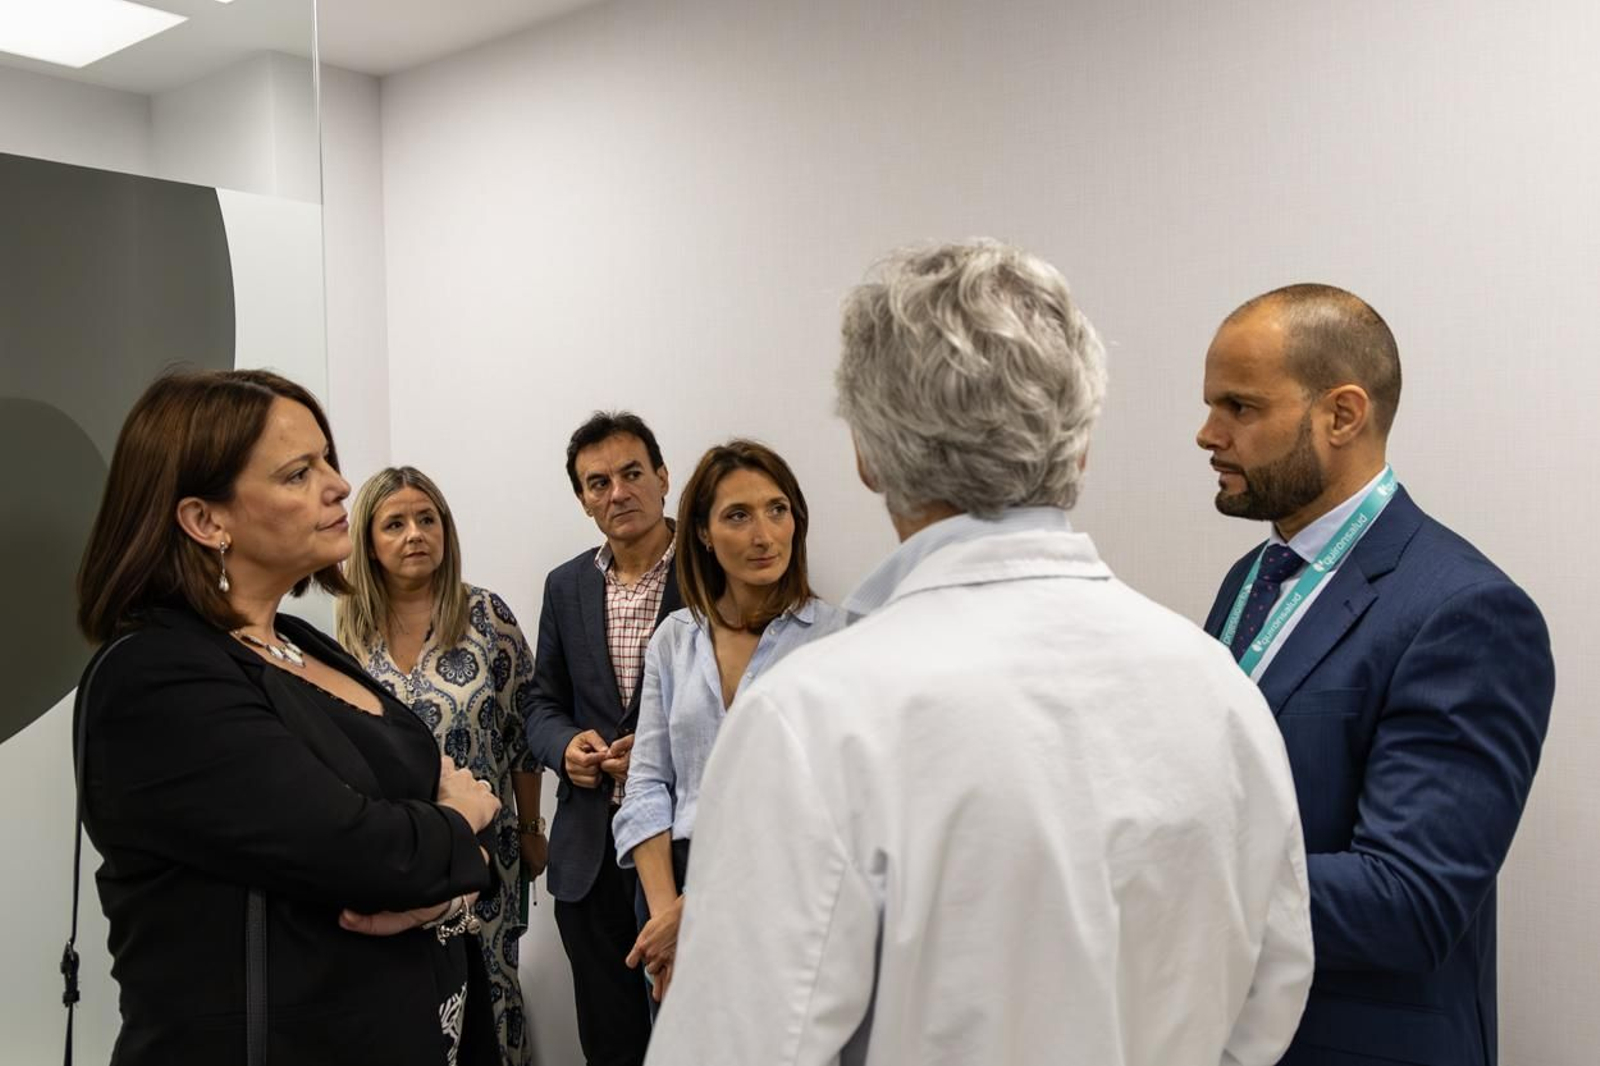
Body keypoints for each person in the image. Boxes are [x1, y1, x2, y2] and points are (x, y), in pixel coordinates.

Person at [647, 240, 1314, 1066]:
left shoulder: (812, 720)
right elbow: (1272, 997)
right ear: (1080, 446)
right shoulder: (1220, 692)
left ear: (866, 455)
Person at [73, 369, 503, 1066]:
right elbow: (361, 850)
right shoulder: (155, 677)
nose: (339, 486)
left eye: (327, 461)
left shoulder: (301, 642)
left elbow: (437, 840)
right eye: (299, 473)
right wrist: (455, 826)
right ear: (206, 521)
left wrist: (441, 884)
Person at [1195, 284, 1554, 1066]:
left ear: (1343, 415)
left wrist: (1168, 874)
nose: (1207, 434)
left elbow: (1412, 899)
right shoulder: (1252, 578)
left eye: (1240, 407)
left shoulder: (1466, 611)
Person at [614, 440, 844, 1002]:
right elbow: (647, 784)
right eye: (738, 516)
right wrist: (667, 919)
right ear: (703, 533)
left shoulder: (838, 638)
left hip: (788, 890)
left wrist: (699, 911)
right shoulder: (674, 639)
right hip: (671, 885)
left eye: (777, 509)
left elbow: (829, 804)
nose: (763, 535)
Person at [337, 466, 547, 1066]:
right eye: (395, 524)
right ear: (368, 543)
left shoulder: (486, 616)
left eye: (427, 519)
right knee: (410, 999)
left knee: (490, 990)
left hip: (483, 852)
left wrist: (530, 829)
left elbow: (522, 732)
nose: (415, 534)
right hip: (395, 855)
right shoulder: (349, 634)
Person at [524, 412, 680, 1066]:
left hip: (682, 856)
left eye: (632, 473)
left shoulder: (712, 568)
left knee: (692, 1040)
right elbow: (541, 702)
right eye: (597, 483)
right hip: (588, 857)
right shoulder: (566, 586)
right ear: (583, 500)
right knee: (610, 1045)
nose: (618, 492)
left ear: (663, 478)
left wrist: (658, 747)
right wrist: (565, 749)